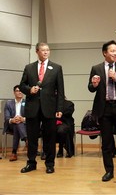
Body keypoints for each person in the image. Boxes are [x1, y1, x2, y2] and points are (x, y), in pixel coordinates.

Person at [88, 40, 116, 182]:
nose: (115, 53)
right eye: (112, 51)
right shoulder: (96, 68)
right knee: (106, 143)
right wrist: (94, 84)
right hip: (104, 108)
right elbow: (90, 87)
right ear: (104, 53)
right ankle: (109, 171)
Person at [19, 42, 65, 174]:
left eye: (47, 50)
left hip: (49, 108)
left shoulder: (56, 68)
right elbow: (22, 86)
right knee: (32, 137)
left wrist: (59, 109)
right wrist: (29, 89)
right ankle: (31, 163)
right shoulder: (29, 68)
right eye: (43, 50)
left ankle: (50, 164)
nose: (45, 52)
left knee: (49, 138)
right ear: (37, 51)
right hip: (32, 108)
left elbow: (61, 90)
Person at [3, 85, 27, 162]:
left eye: (21, 91)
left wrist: (23, 119)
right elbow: (7, 118)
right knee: (17, 123)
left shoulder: (27, 103)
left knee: (18, 125)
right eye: (17, 91)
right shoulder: (9, 103)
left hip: (24, 125)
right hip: (11, 125)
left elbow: (31, 117)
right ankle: (26, 139)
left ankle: (14, 152)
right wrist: (12, 120)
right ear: (14, 93)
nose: (20, 92)